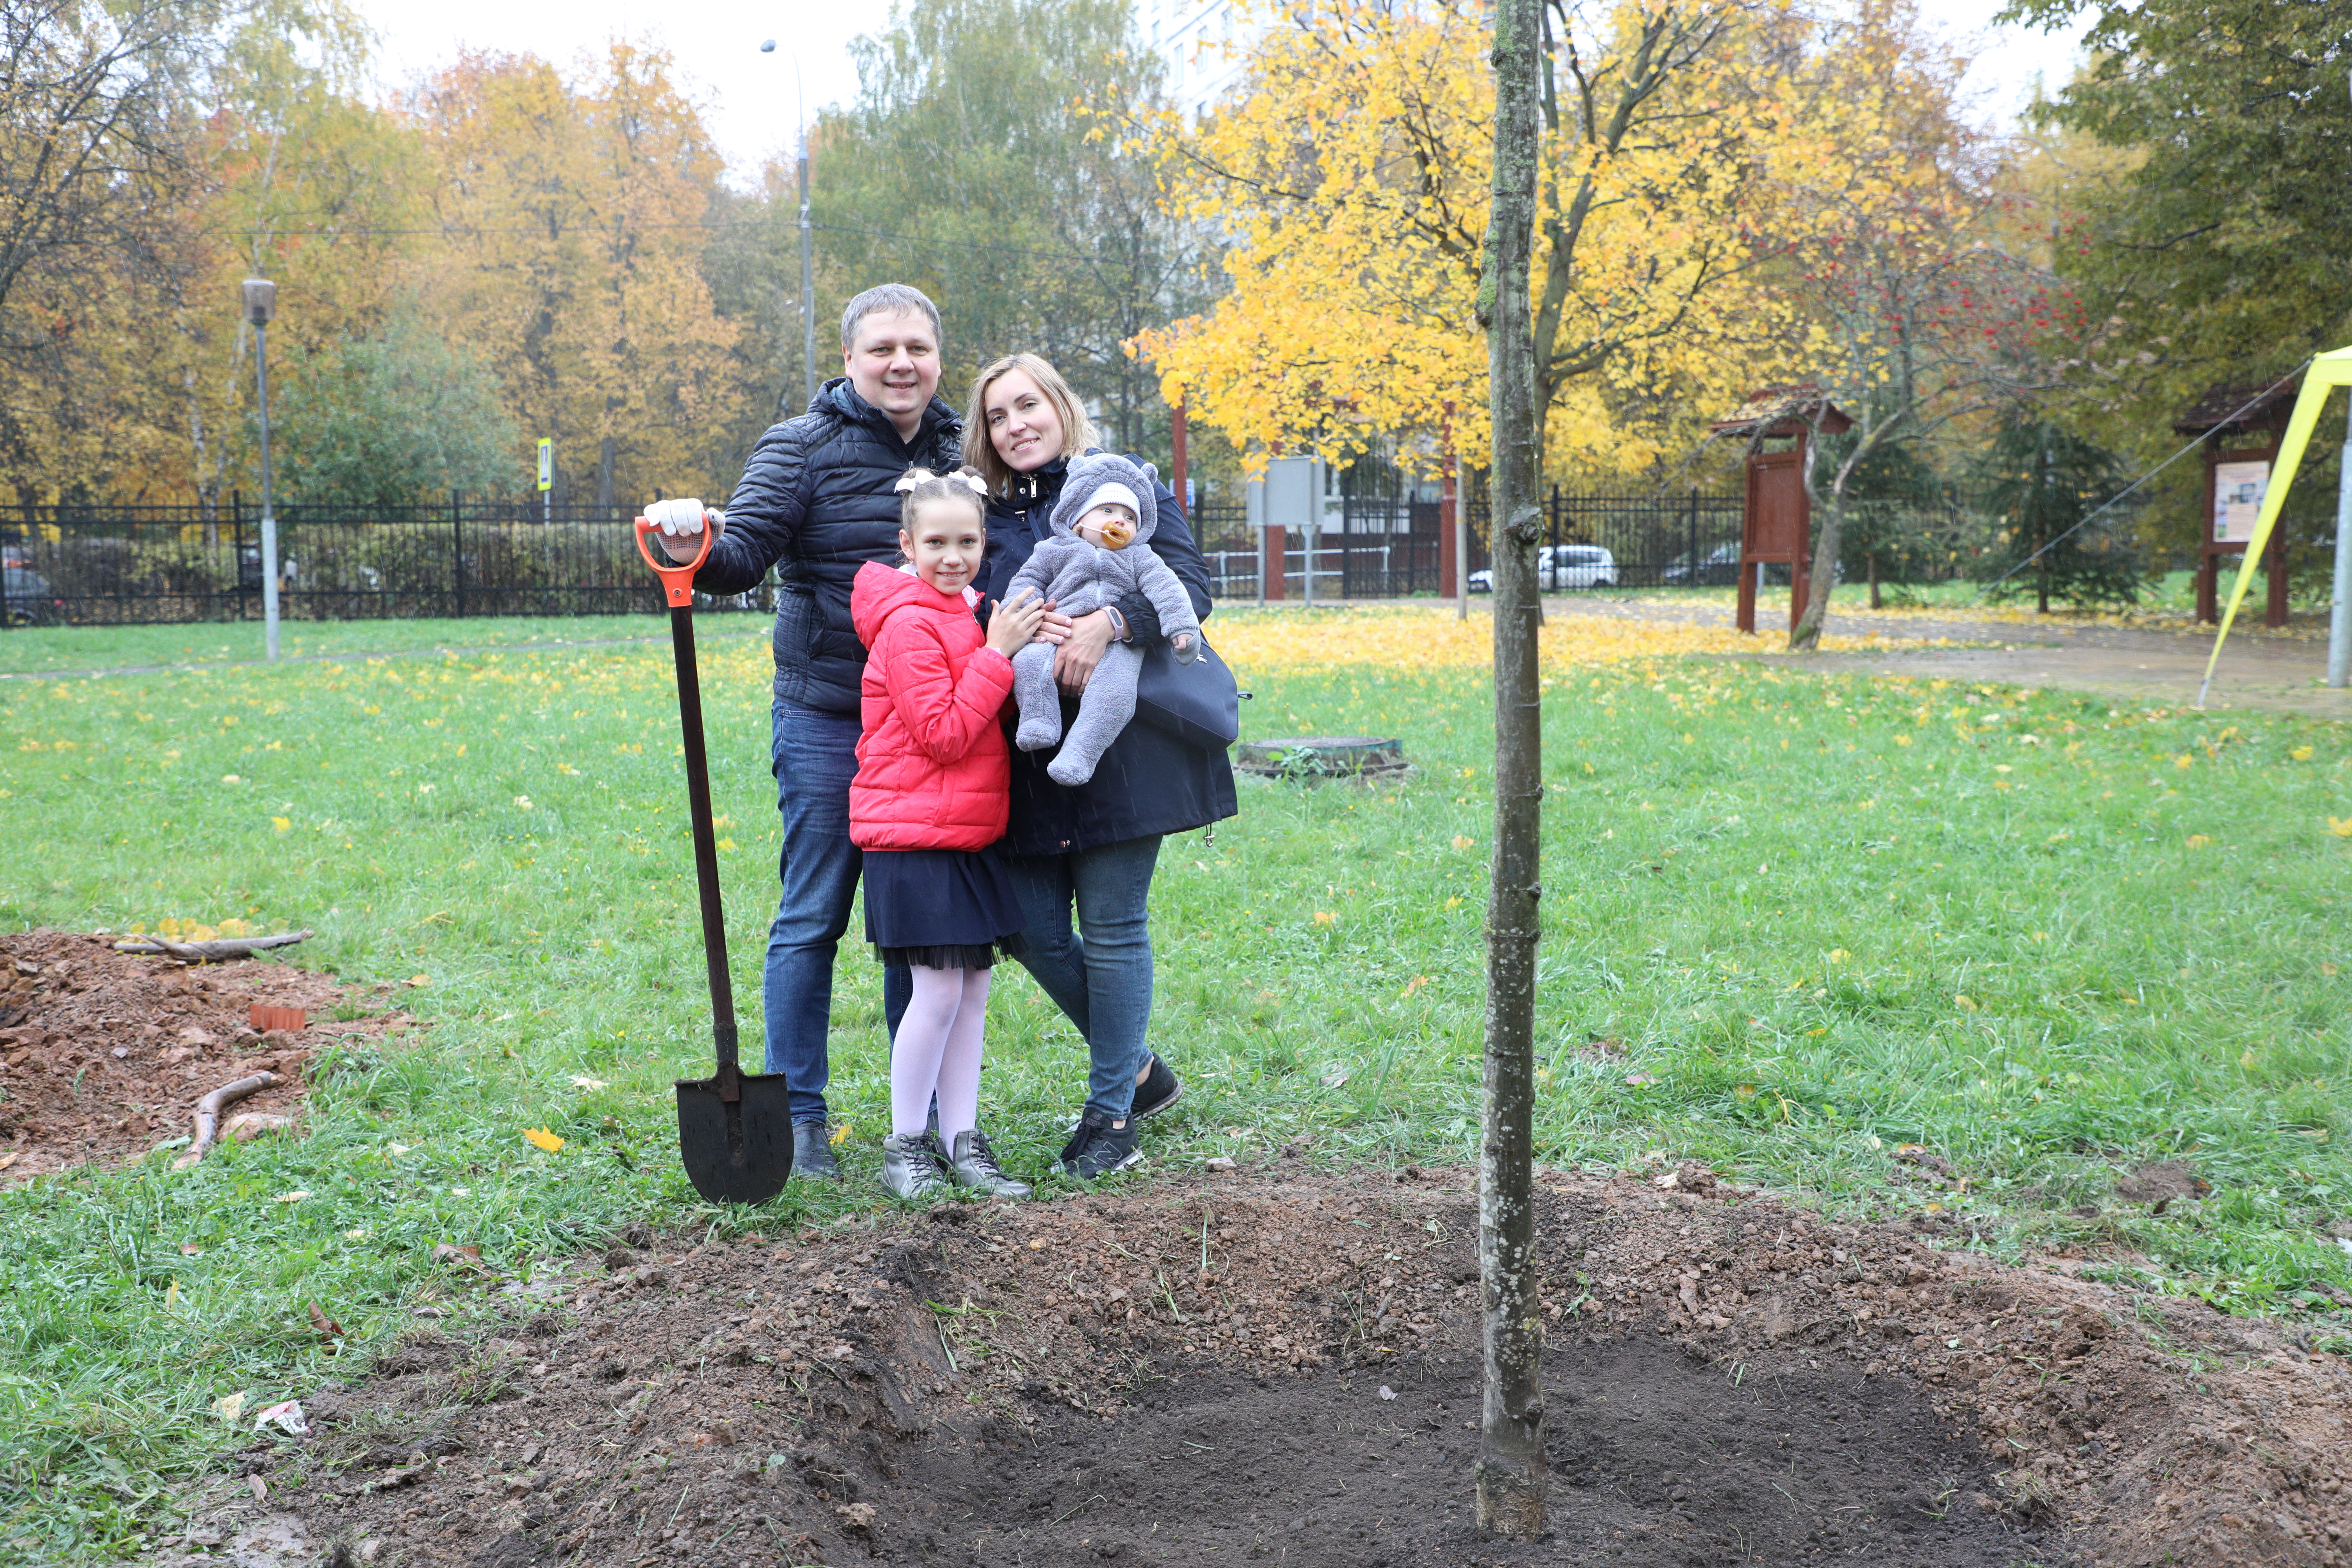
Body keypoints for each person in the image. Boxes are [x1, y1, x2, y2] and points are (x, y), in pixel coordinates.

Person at [641, 284, 959, 1181]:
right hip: (827, 715)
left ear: (938, 357)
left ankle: (921, 1116)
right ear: (850, 360)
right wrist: (694, 537)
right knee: (813, 914)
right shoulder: (802, 446)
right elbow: (742, 555)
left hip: (929, 730)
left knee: (917, 923)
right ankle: (804, 1118)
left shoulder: (958, 446)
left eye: (918, 349)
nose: (902, 364)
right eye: (883, 349)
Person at [967, 353, 1237, 1177]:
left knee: (1115, 927)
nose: (1016, 425)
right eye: (997, 416)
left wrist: (1110, 623)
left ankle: (1110, 1115)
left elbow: (1189, 581)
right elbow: (957, 597)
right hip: (1026, 745)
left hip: (1126, 748)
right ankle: (1141, 1071)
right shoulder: (978, 510)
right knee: (1029, 928)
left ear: (1060, 405)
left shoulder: (1124, 483)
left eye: (1028, 405)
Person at [848, 467, 1047, 1200]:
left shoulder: (966, 614)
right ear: (908, 544)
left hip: (963, 833)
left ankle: (966, 1141)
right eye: (936, 542)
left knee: (971, 994)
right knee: (933, 994)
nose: (953, 555)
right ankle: (906, 1144)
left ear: (984, 541)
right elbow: (943, 733)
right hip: (912, 837)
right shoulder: (909, 623)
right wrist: (998, 654)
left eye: (967, 540)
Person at [1007, 451, 1202, 785]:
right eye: (1108, 510)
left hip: (1119, 650)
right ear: (1079, 517)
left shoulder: (1142, 557)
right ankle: (1039, 722)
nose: (1120, 521)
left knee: (1115, 696)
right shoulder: (1053, 550)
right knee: (1026, 664)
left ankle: (1080, 754)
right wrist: (1027, 616)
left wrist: (1182, 627)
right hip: (1056, 634)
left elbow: (1169, 590)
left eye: (1130, 516)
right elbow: (1026, 583)